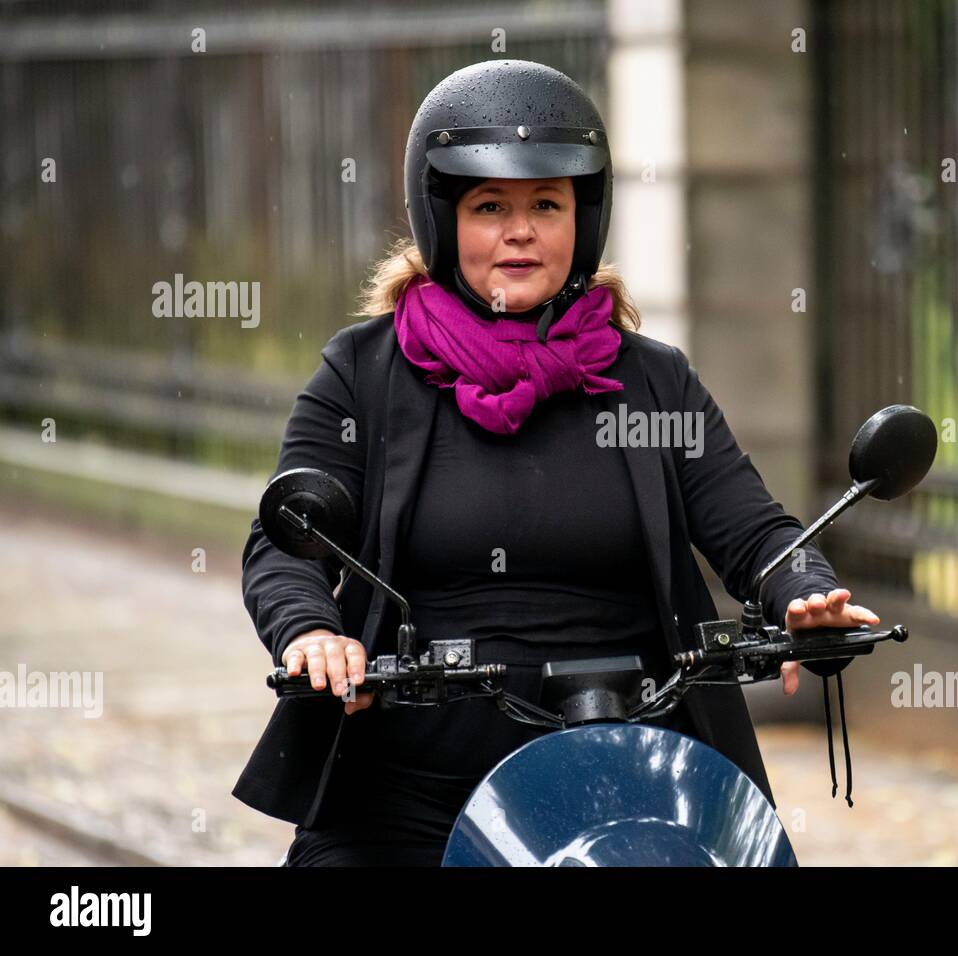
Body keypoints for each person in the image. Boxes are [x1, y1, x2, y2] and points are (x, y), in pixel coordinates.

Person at [233, 59, 877, 866]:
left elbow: (752, 528)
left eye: (547, 202)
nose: (521, 229)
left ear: (584, 217)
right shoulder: (364, 374)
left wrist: (802, 589)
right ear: (442, 220)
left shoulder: (650, 378)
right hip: (405, 792)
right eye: (489, 205)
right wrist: (312, 633)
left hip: (633, 782)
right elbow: (287, 537)